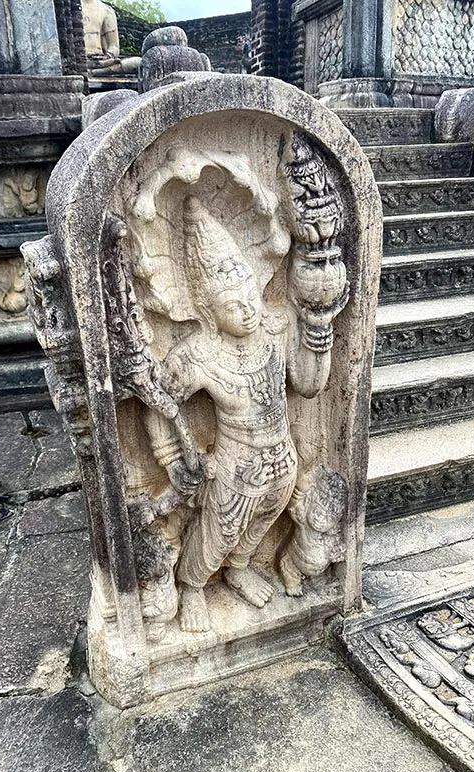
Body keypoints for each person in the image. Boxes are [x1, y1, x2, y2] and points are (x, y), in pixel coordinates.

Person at [145, 195, 347, 632]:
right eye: (232, 304)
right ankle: (192, 586)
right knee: (219, 531)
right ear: (208, 313)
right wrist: (173, 461)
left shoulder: (277, 325)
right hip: (235, 465)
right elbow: (157, 404)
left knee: (263, 521)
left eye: (250, 293)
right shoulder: (199, 354)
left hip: (282, 456)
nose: (248, 307)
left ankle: (239, 569)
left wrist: (318, 331)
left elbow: (308, 384)